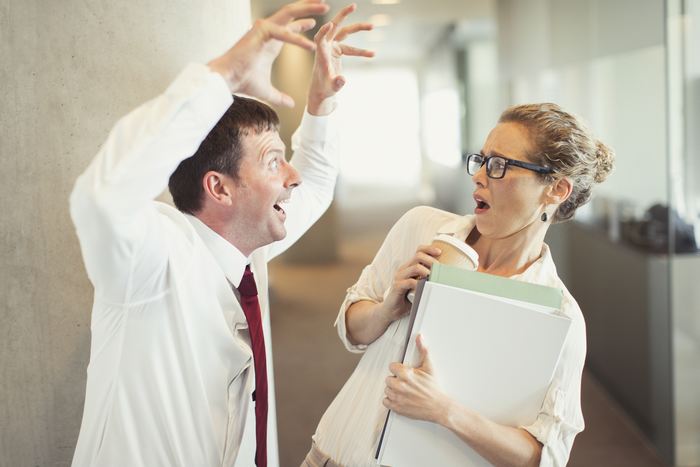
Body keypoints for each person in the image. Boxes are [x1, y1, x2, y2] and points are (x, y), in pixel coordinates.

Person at [69, 2, 373, 466]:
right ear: (219, 188)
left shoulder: (245, 254)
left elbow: (314, 181)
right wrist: (224, 75)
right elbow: (100, 198)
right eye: (274, 161)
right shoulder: (154, 258)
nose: (291, 177)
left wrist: (320, 104)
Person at [305, 103, 614, 467]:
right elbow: (351, 329)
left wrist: (443, 410)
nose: (479, 176)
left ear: (556, 189)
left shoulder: (558, 313)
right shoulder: (422, 228)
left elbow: (544, 457)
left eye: (499, 165)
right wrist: (388, 308)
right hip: (330, 455)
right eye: (480, 160)